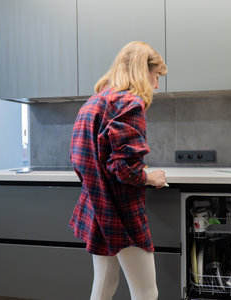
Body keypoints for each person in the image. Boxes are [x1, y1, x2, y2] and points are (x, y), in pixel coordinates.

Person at [69, 41, 168, 300]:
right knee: (147, 292)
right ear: (141, 70)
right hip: (122, 212)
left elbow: (79, 158)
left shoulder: (94, 102)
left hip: (97, 205)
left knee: (103, 284)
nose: (156, 85)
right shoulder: (130, 104)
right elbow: (125, 169)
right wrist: (148, 176)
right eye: (156, 76)